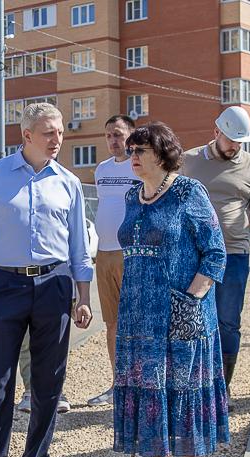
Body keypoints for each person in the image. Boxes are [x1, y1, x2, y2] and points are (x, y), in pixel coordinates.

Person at [0, 102, 93, 457]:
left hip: (54, 285)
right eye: (49, 132)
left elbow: (79, 247)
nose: (58, 140)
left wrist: (83, 297)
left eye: (61, 132)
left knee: (49, 381)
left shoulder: (68, 182)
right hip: (5, 285)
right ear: (27, 135)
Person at [114, 122, 229, 457]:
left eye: (140, 151)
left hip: (181, 314)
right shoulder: (133, 196)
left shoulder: (188, 192)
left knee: (184, 389)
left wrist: (191, 300)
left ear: (162, 154)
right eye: (131, 151)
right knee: (152, 390)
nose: (132, 157)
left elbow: (215, 252)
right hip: (139, 314)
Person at [181, 106, 250, 410]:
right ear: (216, 131)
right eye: (230, 139)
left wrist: (236, 230)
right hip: (194, 255)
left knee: (228, 322)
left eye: (240, 141)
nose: (234, 146)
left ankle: (221, 390)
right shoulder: (189, 161)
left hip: (234, 254)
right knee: (192, 321)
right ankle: (194, 388)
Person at [85, 114, 140, 407]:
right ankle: (118, 384)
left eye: (118, 134)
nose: (113, 141)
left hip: (131, 254)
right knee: (112, 325)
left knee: (136, 323)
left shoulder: (140, 166)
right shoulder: (101, 170)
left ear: (131, 135)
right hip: (103, 255)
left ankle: (140, 385)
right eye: (108, 135)